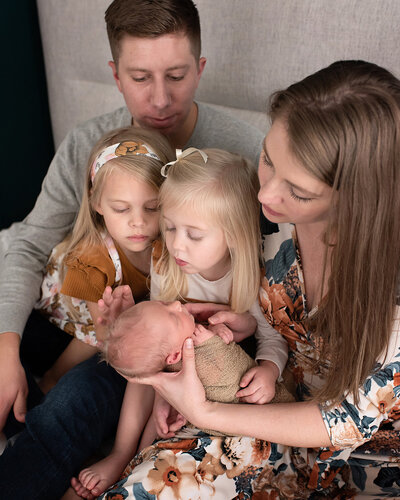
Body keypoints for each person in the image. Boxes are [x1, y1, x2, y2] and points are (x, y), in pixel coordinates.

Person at [96, 60, 400, 499]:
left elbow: (343, 422)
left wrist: (205, 410)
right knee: (146, 489)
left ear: (359, 199)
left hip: (367, 465)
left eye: (299, 191)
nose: (265, 195)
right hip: (265, 417)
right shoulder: (271, 232)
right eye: (267, 159)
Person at [0, 1, 265, 497]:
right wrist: (5, 346)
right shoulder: (88, 145)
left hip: (175, 346)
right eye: (140, 77)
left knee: (73, 401)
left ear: (201, 68)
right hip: (93, 318)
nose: (161, 99)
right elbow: (31, 242)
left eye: (178, 75)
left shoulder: (245, 152)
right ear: (115, 74)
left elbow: (275, 272)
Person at [70, 148, 289, 498]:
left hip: (222, 376)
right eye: (170, 227)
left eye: (194, 235)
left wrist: (269, 369)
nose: (177, 245)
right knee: (145, 371)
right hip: (173, 358)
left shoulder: (252, 277)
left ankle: (143, 455)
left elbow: (272, 337)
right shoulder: (166, 260)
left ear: (233, 234)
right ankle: (122, 453)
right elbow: (157, 335)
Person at [33, 126, 174, 393]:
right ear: (97, 203)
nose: (138, 222)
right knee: (94, 338)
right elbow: (103, 333)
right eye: (121, 209)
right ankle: (51, 379)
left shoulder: (167, 244)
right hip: (65, 312)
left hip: (114, 310)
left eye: (153, 207)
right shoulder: (91, 260)